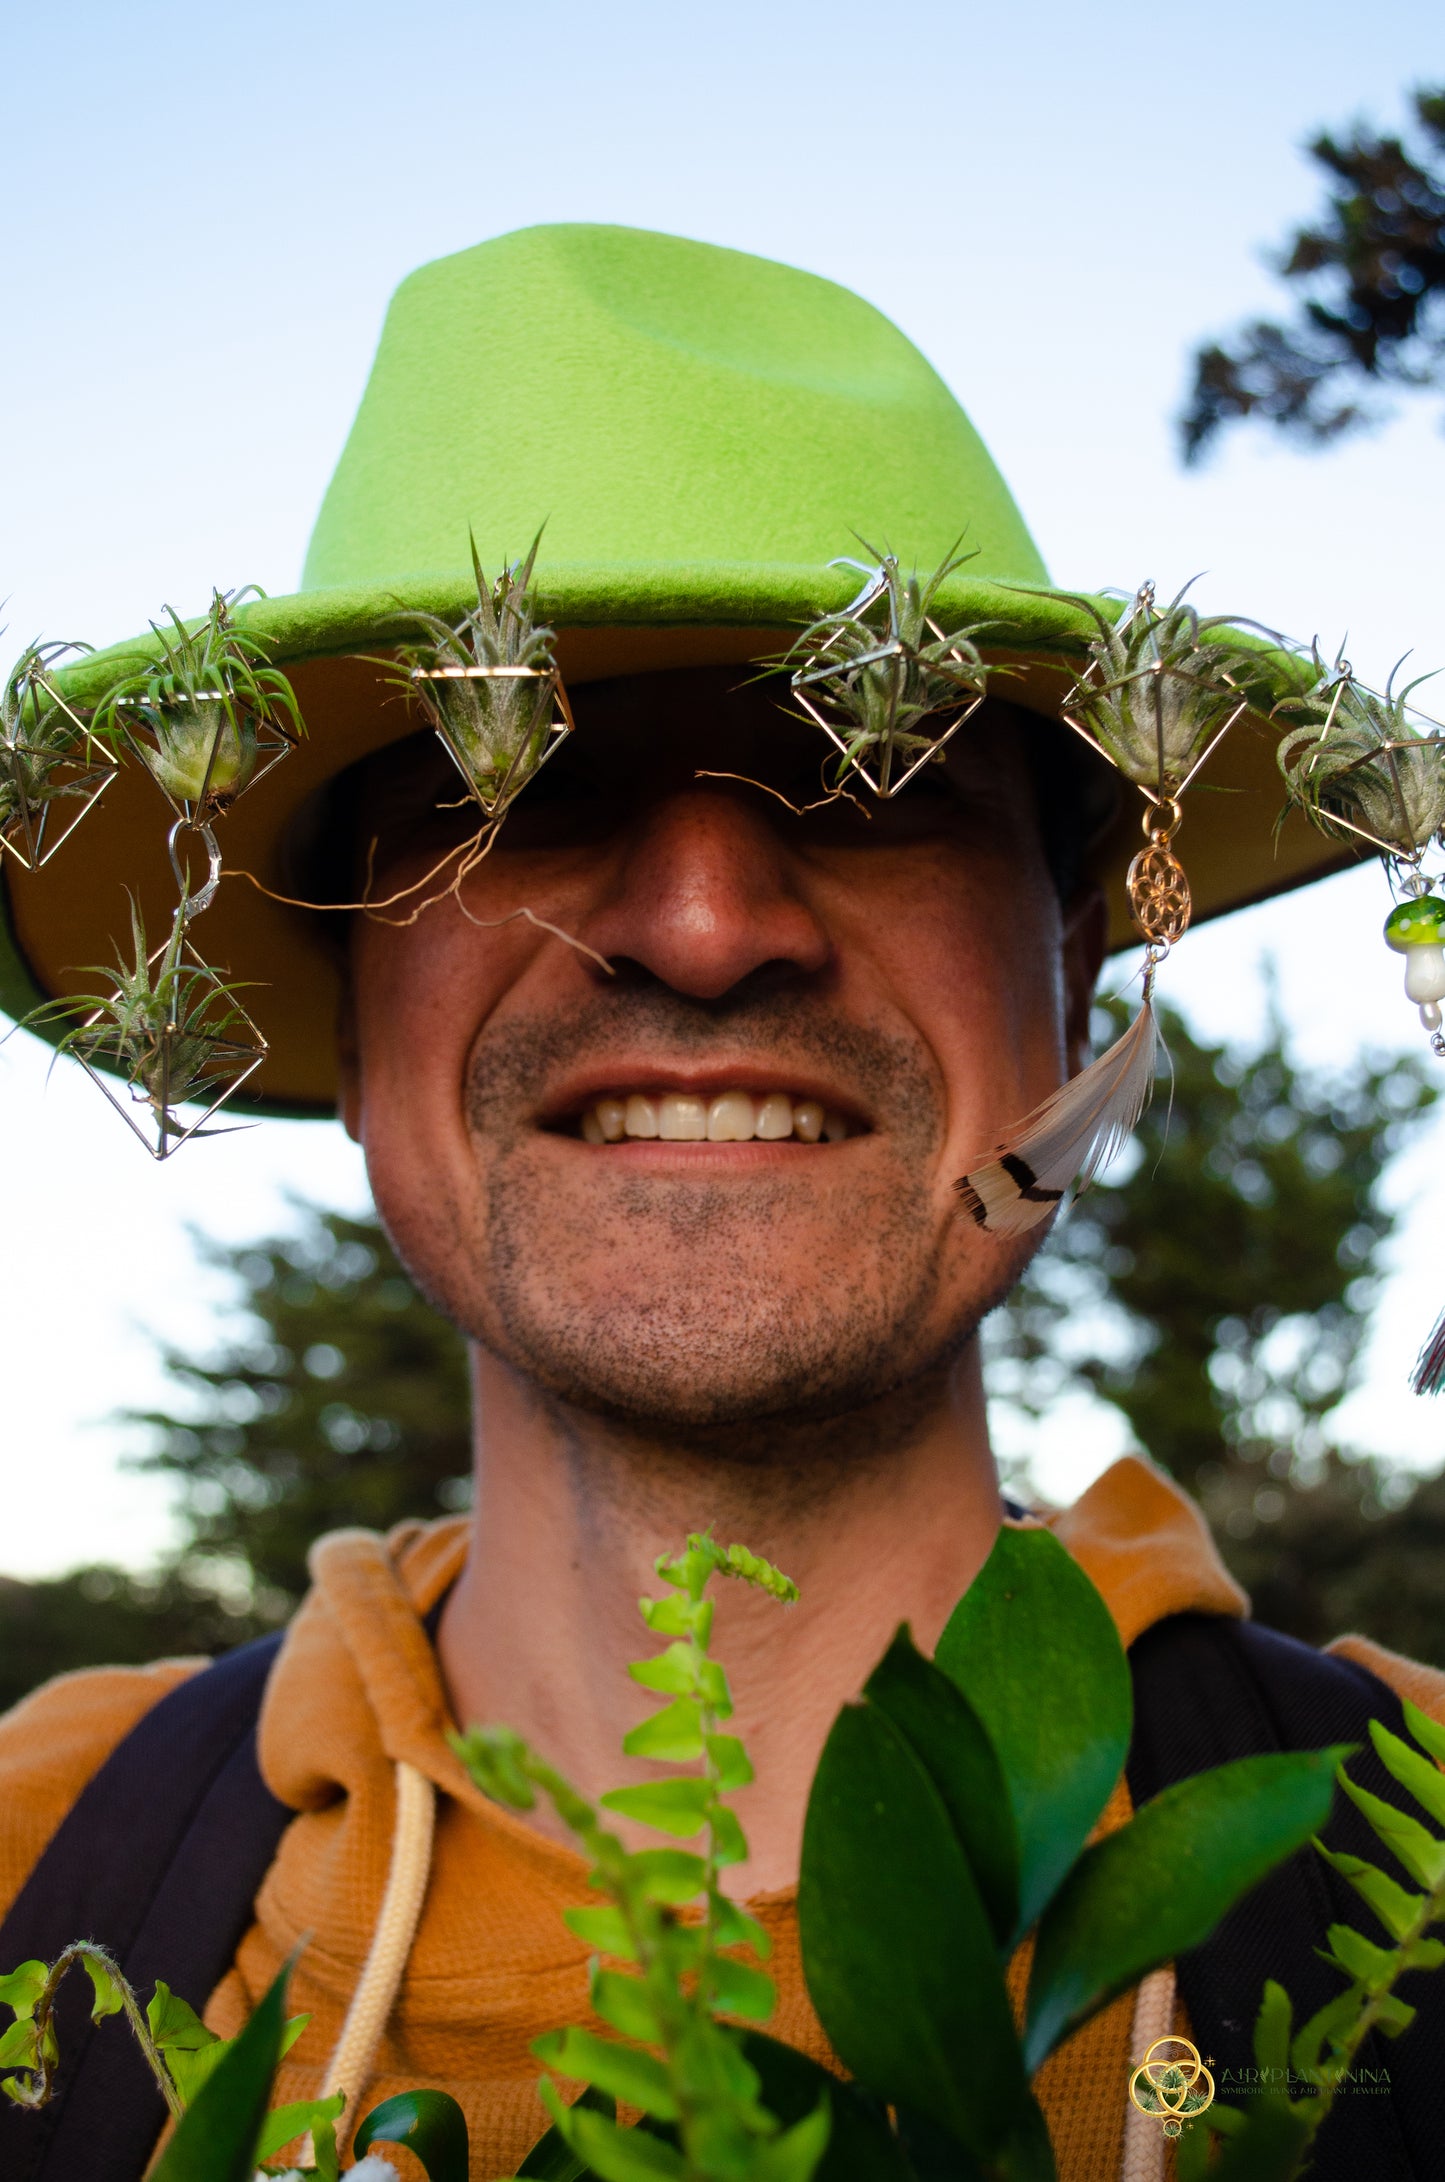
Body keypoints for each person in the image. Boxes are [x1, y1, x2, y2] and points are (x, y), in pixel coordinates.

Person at [1, 223, 1440, 2182]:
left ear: (1074, 966)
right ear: (348, 1011)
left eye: (879, 763)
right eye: (520, 782)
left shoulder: (1403, 1874)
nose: (701, 927)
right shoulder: (40, 1860)